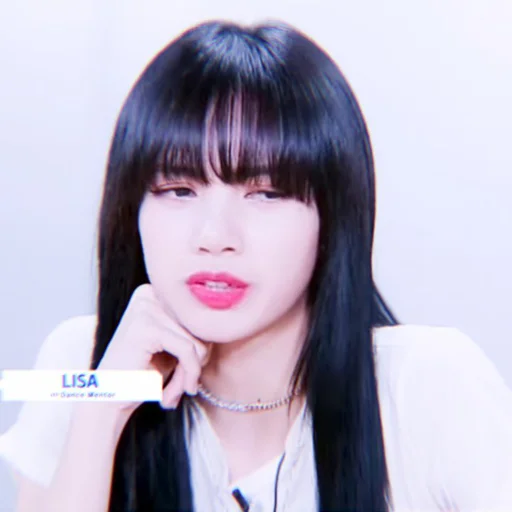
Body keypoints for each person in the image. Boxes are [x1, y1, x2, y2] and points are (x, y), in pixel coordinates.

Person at [1, 19, 512, 512]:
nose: (215, 237)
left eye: (265, 193)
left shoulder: (428, 386)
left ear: (333, 214)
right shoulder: (83, 363)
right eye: (179, 190)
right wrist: (105, 407)